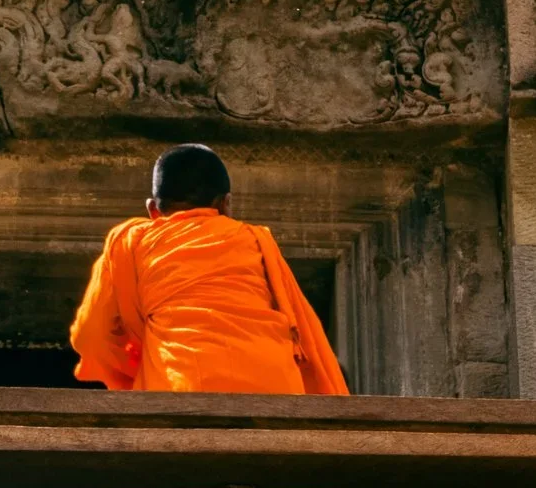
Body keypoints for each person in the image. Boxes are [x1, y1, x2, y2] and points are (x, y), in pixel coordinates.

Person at [69, 144, 348, 396]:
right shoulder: (255, 241)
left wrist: (139, 365)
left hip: (180, 389)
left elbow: (90, 336)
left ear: (153, 210)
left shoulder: (134, 242)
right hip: (274, 391)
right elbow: (303, 333)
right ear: (225, 204)